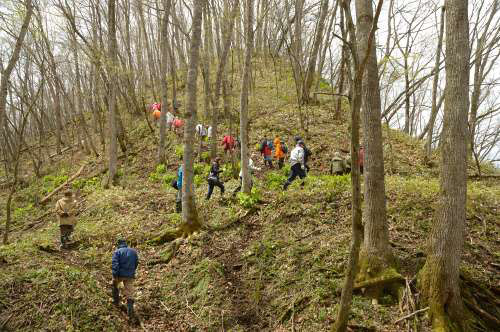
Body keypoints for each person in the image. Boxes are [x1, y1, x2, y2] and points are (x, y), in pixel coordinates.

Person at [112, 239, 139, 321]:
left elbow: (115, 264)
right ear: (125, 244)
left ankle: (116, 302)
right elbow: (136, 262)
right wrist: (132, 271)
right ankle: (130, 313)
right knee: (129, 293)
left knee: (114, 285)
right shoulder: (133, 251)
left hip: (120, 275)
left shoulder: (117, 252)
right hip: (130, 275)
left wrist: (115, 275)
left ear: (118, 244)